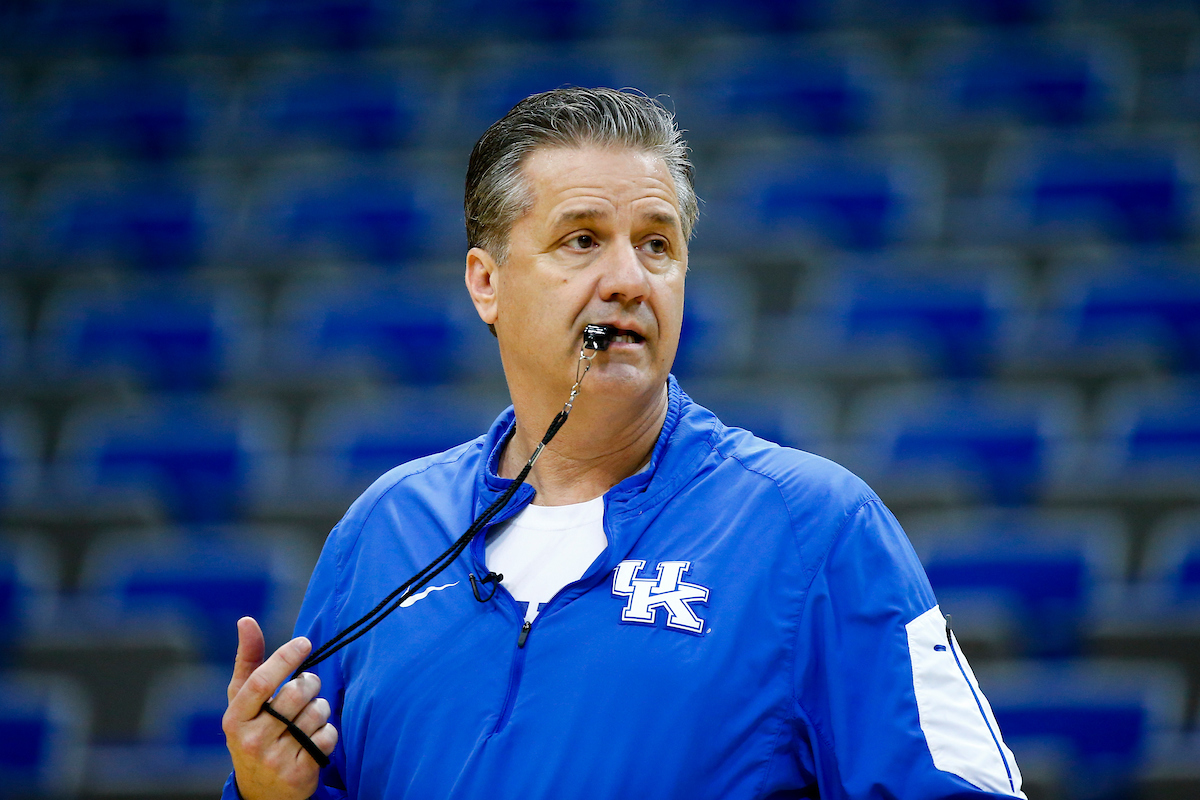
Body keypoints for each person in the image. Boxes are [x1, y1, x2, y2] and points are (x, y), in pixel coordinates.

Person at [221, 87, 1026, 800]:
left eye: (656, 244)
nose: (629, 280)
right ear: (485, 282)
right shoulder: (383, 530)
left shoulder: (814, 526)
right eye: (581, 241)